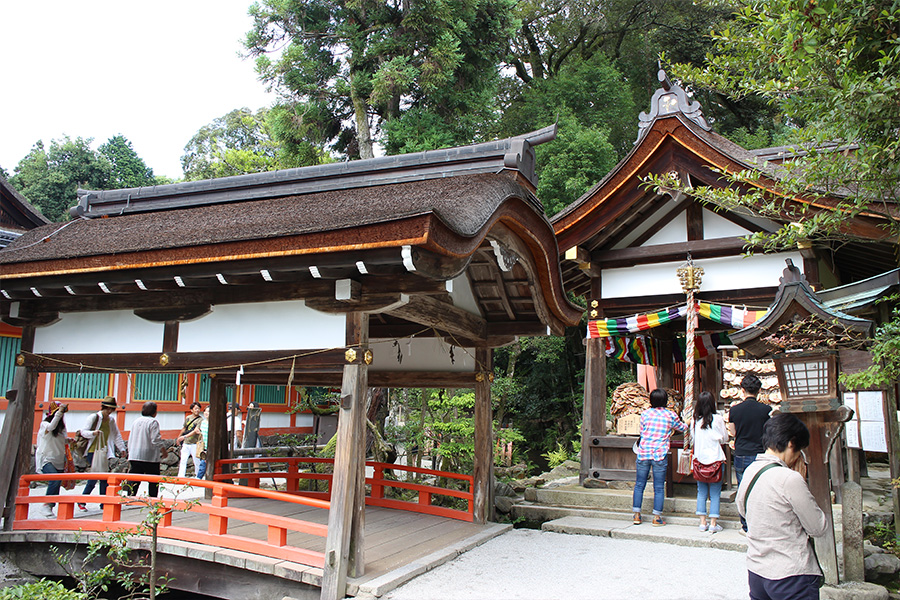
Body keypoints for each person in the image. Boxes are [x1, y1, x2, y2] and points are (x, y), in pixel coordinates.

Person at [736, 413, 827, 600]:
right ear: (791, 444)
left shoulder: (750, 471)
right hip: (791, 573)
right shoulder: (789, 479)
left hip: (757, 569)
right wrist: (801, 481)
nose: (797, 458)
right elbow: (817, 527)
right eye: (799, 451)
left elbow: (742, 511)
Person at [632, 388, 687, 526]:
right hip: (659, 453)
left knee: (639, 484)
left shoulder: (645, 414)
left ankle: (637, 515)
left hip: (644, 452)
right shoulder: (670, 415)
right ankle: (656, 517)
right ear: (665, 401)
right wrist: (689, 422)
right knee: (658, 487)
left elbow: (643, 431)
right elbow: (682, 428)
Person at [728, 374, 771, 533]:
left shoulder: (735, 410)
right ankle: (761, 524)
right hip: (761, 452)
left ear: (743, 390)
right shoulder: (766, 410)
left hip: (742, 452)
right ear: (759, 390)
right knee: (761, 489)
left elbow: (733, 432)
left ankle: (746, 525)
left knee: (743, 489)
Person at [79, 396, 126, 510]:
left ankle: (103, 502)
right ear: (104, 407)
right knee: (96, 476)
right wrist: (93, 433)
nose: (109, 411)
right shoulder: (94, 417)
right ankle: (82, 500)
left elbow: (116, 435)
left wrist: (122, 448)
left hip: (104, 450)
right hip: (92, 450)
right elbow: (83, 432)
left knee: (104, 477)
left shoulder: (111, 420)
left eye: (111, 409)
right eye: (108, 409)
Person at [692, 391, 728, 533]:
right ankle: (713, 524)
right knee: (715, 493)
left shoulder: (695, 420)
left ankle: (702, 523)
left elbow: (694, 439)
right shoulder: (718, 419)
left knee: (701, 492)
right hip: (716, 460)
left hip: (700, 460)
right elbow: (724, 438)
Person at [126, 402, 168, 497]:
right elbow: (155, 439)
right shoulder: (153, 422)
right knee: (153, 479)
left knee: (134, 478)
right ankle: (152, 498)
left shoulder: (136, 421)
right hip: (149, 456)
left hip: (135, 454)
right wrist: (163, 450)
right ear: (154, 412)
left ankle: (130, 496)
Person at [35, 401, 68, 518]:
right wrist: (59, 412)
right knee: (54, 480)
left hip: (58, 459)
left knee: (57, 482)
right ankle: (46, 505)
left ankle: (50, 506)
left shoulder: (61, 429)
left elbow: (63, 441)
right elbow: (51, 427)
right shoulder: (45, 425)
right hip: (46, 459)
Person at [176, 402, 204, 478]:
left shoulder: (200, 420)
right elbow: (184, 428)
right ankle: (181, 476)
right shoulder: (188, 418)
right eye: (195, 408)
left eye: (198, 408)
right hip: (186, 442)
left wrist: (184, 437)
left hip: (194, 443)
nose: (197, 410)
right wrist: (179, 437)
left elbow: (196, 430)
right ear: (191, 410)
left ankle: (198, 476)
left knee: (197, 461)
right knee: (183, 460)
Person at [196, 405, 209, 479]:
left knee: (203, 464)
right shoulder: (203, 422)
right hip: (203, 446)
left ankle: (199, 478)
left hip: (209, 447)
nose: (206, 413)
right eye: (205, 411)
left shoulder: (213, 423)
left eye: (209, 411)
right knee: (203, 463)